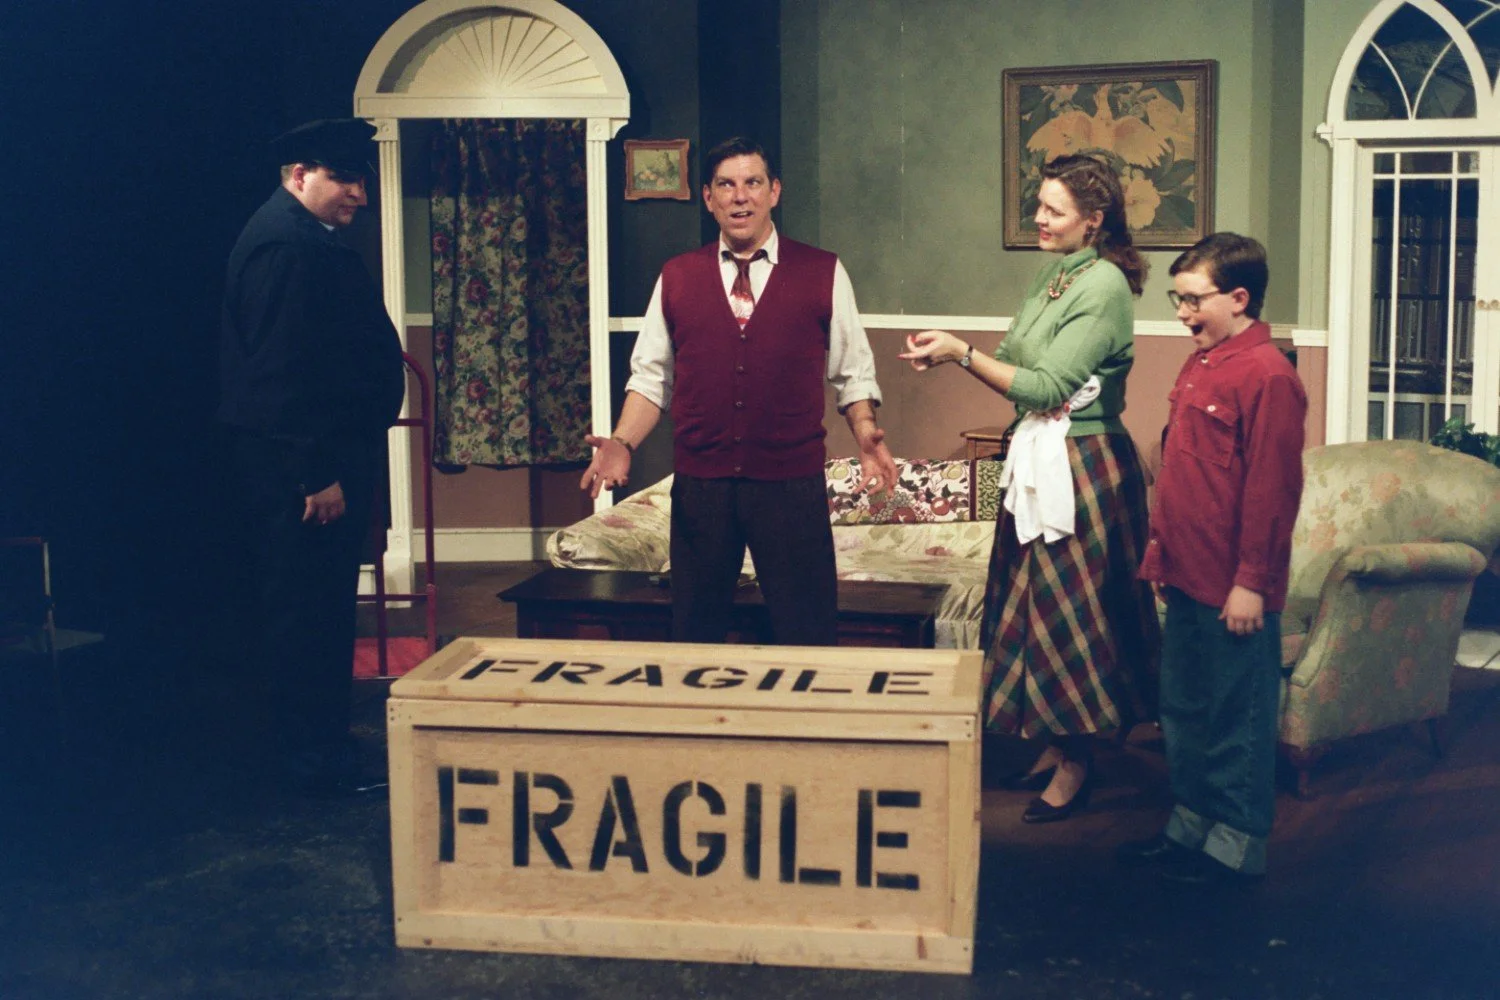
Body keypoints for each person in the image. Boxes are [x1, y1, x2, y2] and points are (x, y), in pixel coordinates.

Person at [900, 154, 1159, 823]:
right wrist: (954, 355)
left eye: (1052, 210)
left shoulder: (1100, 285)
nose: (1038, 220)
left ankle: (1081, 760)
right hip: (1042, 460)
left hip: (1081, 471)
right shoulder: (1056, 273)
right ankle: (1056, 737)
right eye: (1039, 206)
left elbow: (1047, 388)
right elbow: (1018, 356)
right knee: (1032, 610)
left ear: (1093, 222)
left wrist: (961, 353)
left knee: (1075, 617)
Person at [579, 136, 898, 645]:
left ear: (775, 192)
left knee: (807, 632)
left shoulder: (823, 272)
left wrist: (864, 432)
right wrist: (623, 440)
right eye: (726, 185)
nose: (740, 197)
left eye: (752, 183)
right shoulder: (677, 276)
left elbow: (852, 371)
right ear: (708, 197)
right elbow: (649, 378)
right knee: (694, 632)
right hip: (701, 486)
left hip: (789, 485)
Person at [219, 118, 405, 793]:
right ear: (300, 175)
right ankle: (311, 763)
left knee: (323, 614)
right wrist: (316, 473)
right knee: (307, 617)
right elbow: (276, 377)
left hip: (319, 467)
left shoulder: (305, 240)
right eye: (345, 179)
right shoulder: (286, 249)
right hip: (303, 477)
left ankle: (323, 750)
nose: (360, 193)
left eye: (362, 178)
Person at [1118, 233, 1306, 884]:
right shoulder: (1202, 363)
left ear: (1238, 297)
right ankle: (1190, 827)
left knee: (1238, 719)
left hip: (1235, 588)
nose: (1181, 313)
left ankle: (1234, 846)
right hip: (1186, 575)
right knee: (1185, 710)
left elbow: (1273, 491)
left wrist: (1252, 582)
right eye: (1178, 298)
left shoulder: (1269, 376)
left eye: (1192, 300)